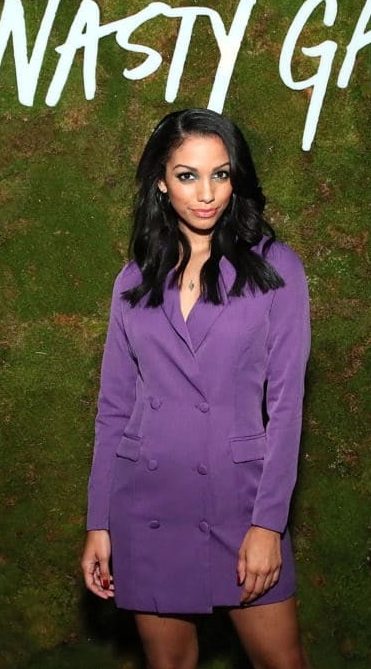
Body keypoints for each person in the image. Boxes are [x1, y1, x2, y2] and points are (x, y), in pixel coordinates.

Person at [81, 108, 310, 669]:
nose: (206, 193)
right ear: (161, 182)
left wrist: (268, 524)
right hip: (149, 503)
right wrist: (99, 522)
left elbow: (286, 409)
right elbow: (114, 410)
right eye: (187, 175)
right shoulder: (134, 279)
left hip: (241, 500)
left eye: (220, 174)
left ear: (236, 178)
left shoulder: (274, 268)